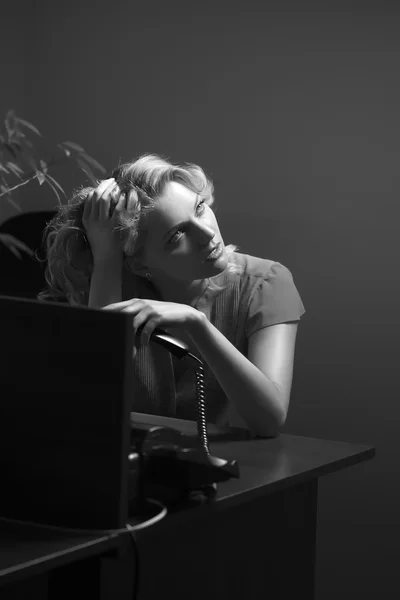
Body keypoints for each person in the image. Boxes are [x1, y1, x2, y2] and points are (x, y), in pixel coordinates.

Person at [38, 153, 305, 438]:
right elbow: (97, 403)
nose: (207, 235)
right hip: (124, 466)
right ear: (139, 263)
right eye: (177, 235)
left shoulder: (265, 283)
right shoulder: (112, 287)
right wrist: (106, 257)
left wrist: (197, 324)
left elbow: (270, 420)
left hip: (213, 467)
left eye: (200, 207)